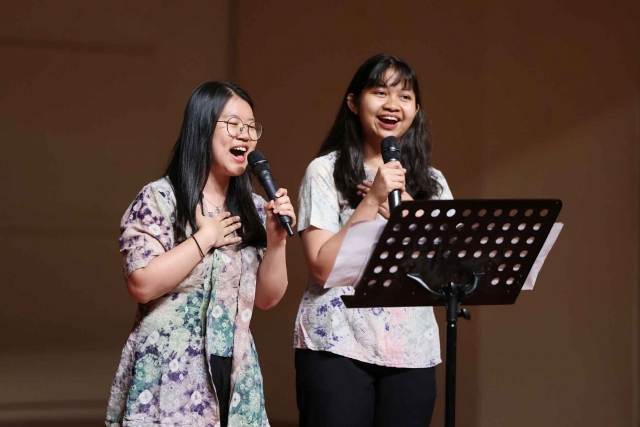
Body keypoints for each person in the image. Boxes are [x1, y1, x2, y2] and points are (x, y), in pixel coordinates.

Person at [105, 81, 295, 427]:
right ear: (203, 127)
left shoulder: (253, 207)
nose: (246, 136)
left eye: (252, 128)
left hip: (236, 369)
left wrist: (277, 239)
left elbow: (266, 299)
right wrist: (203, 239)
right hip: (170, 366)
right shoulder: (161, 199)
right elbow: (142, 283)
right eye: (234, 125)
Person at [294, 54, 453, 427]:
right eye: (380, 92)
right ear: (353, 102)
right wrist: (371, 200)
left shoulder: (433, 183)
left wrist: (410, 215)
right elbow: (321, 267)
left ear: (416, 109)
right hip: (336, 344)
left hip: (411, 349)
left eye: (405, 96)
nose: (392, 105)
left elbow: (447, 272)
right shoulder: (324, 172)